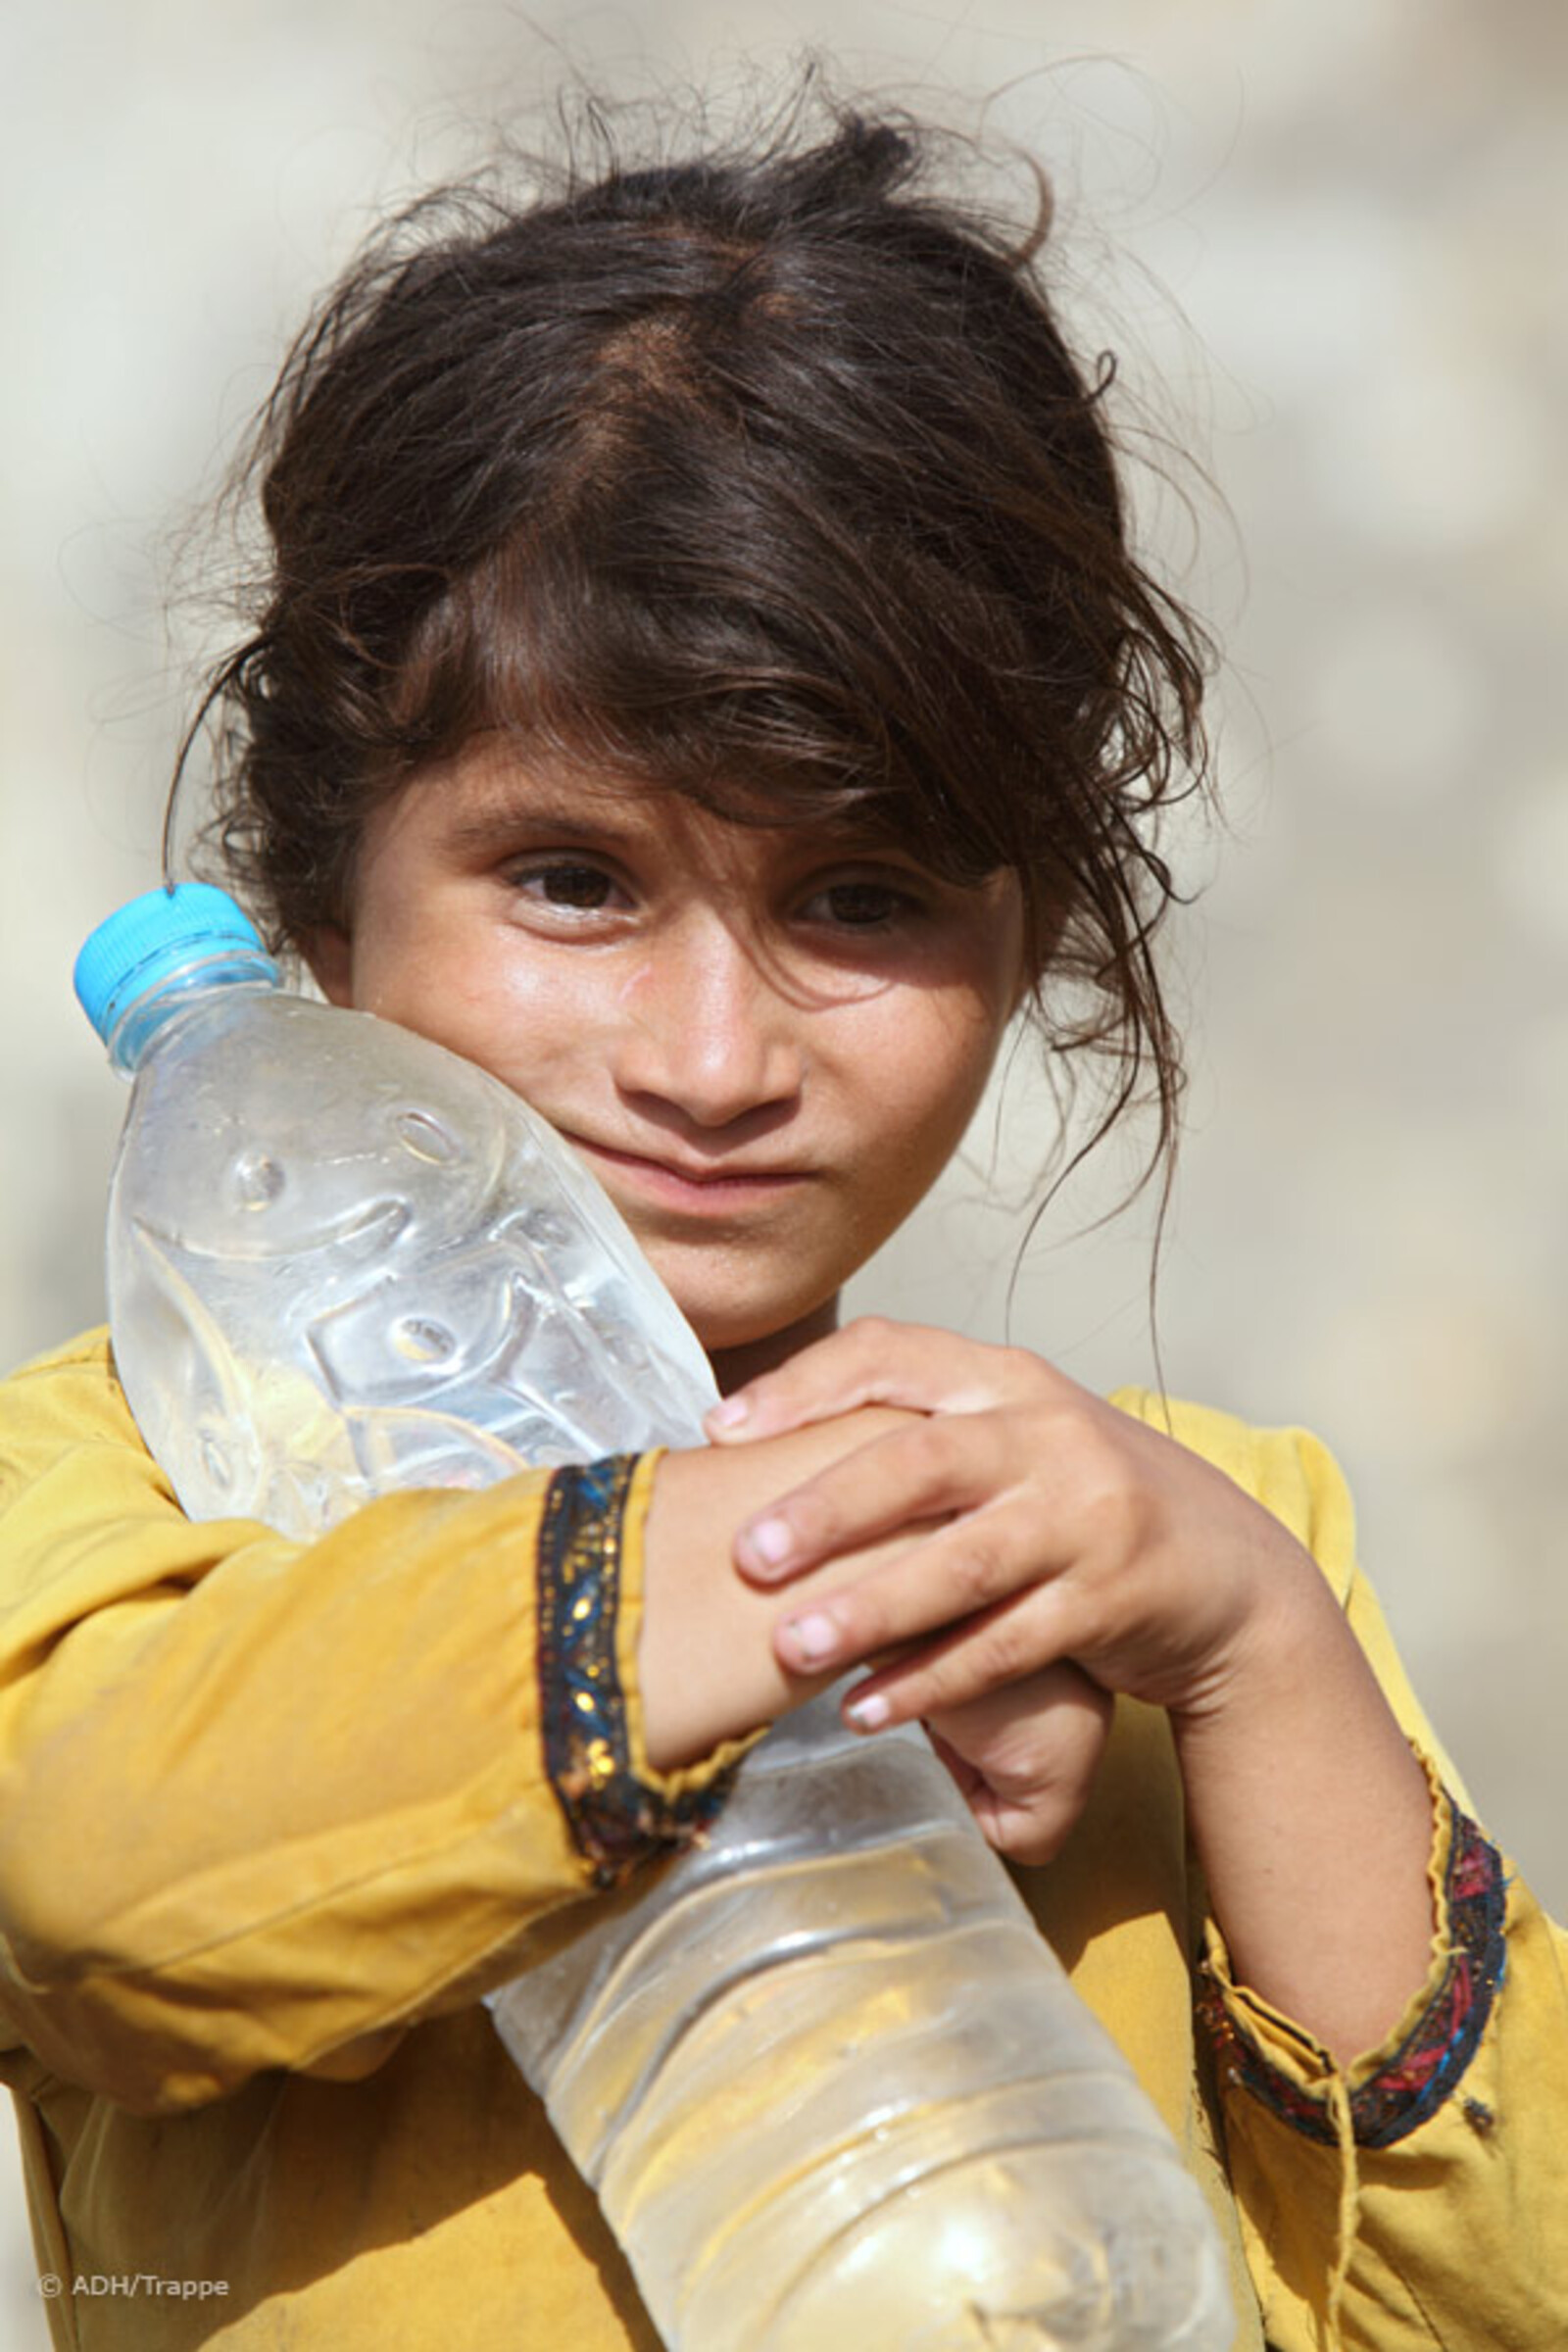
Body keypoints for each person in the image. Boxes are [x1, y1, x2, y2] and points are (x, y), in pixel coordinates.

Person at [0, 99, 1561, 2352]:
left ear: (1026, 942)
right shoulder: (106, 1503)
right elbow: (103, 1887)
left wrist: (1246, 1641)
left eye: (859, 900)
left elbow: (1476, 2316)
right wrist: (788, 1568)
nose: (714, 1055)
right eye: (573, 879)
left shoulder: (1167, 1555)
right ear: (321, 901)